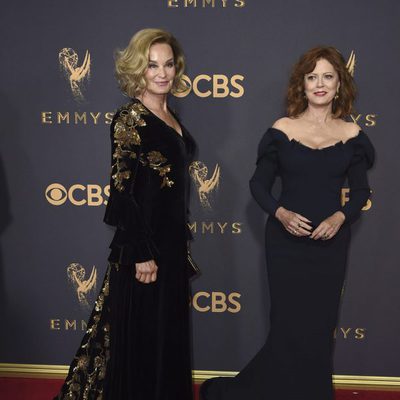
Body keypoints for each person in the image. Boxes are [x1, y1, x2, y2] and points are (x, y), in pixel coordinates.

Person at [200, 46, 374, 400]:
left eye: (328, 76)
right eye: (312, 77)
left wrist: (340, 217)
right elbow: (258, 186)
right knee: (287, 325)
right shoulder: (283, 130)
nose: (320, 84)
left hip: (330, 245)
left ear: (339, 84)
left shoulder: (352, 136)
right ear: (302, 85)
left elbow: (360, 192)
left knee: (321, 326)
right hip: (286, 243)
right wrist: (280, 213)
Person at [54, 28, 196, 400]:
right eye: (152, 66)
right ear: (138, 69)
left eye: (168, 64)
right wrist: (141, 252)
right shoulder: (130, 118)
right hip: (144, 251)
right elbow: (121, 192)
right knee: (140, 337)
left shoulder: (169, 115)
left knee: (166, 335)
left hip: (172, 247)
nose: (162, 73)